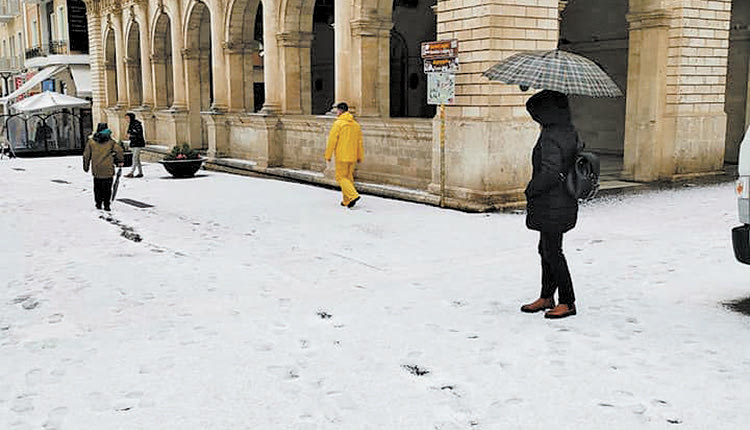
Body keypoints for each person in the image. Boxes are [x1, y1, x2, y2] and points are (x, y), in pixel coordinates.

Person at [520, 90, 580, 319]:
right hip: (562, 200)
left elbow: (551, 172)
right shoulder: (568, 129)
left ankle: (567, 301)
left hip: (552, 201)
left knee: (552, 251)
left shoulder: (552, 135)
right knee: (546, 249)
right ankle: (546, 297)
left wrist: (531, 189)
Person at [324, 102, 364, 208]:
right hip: (353, 156)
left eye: (337, 110)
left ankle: (353, 195)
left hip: (342, 156)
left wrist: (328, 155)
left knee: (341, 178)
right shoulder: (356, 125)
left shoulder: (338, 124)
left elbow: (332, 140)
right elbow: (359, 142)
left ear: (340, 111)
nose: (336, 112)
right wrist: (360, 156)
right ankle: (347, 201)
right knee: (348, 178)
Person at [83, 123, 124, 211]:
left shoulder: (91, 141)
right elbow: (119, 150)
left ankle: (98, 203)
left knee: (97, 187)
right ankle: (106, 204)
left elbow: (86, 154)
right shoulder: (110, 141)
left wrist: (86, 166)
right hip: (108, 168)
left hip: (96, 168)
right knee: (107, 187)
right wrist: (120, 161)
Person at [124, 112, 145, 178]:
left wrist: (130, 136)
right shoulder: (131, 124)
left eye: (127, 118)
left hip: (138, 143)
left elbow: (138, 134)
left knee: (134, 158)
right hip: (133, 143)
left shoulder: (137, 124)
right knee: (137, 159)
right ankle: (140, 172)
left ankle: (131, 172)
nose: (126, 119)